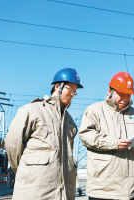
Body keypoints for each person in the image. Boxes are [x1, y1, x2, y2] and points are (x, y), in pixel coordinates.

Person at [5, 68, 83, 200]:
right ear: (58, 86)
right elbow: (13, 146)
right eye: (70, 89)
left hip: (64, 194)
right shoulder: (31, 110)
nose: (72, 94)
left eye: (75, 92)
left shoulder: (69, 120)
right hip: (35, 191)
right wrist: (28, 171)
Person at [79, 72, 134, 200]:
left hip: (129, 189)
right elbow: (86, 136)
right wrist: (113, 143)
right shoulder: (95, 110)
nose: (125, 99)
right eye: (120, 94)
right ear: (109, 90)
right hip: (103, 189)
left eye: (128, 95)